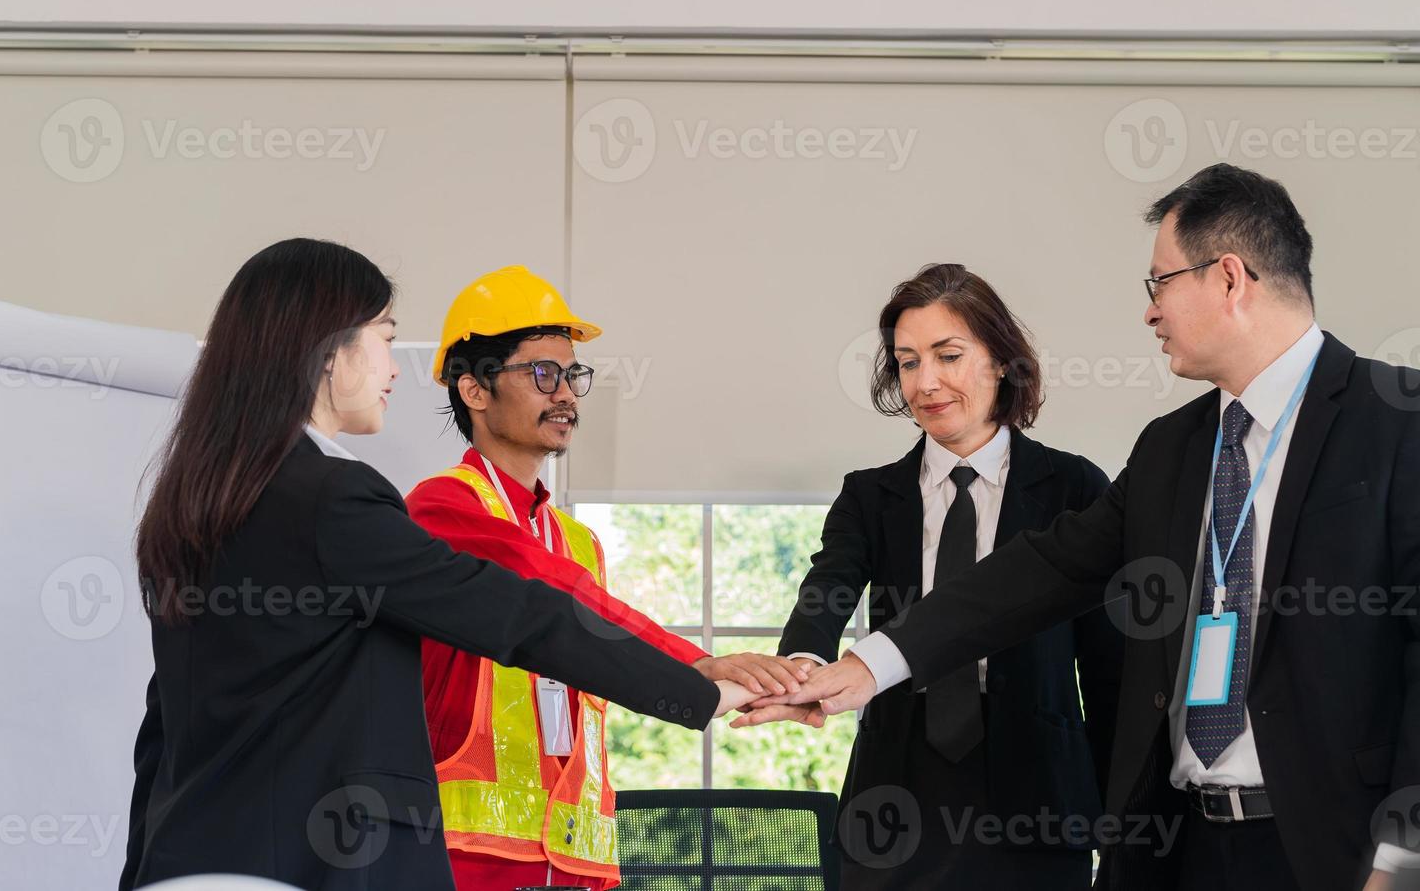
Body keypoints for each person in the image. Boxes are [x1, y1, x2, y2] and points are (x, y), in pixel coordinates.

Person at [743, 164, 1420, 891]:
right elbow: (1039, 573)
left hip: (1335, 853)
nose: (1150, 312)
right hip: (1179, 849)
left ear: (1228, 279)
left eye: (1160, 282)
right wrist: (867, 666)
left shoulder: (1398, 422)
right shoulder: (1171, 447)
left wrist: (1401, 860)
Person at [119, 239, 754, 891]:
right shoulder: (334, 498)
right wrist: (703, 688)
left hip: (191, 864)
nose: (396, 368)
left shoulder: (195, 502)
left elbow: (163, 730)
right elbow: (518, 616)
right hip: (309, 866)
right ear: (329, 349)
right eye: (386, 337)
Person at [405, 265, 809, 890]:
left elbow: (594, 642)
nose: (565, 393)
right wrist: (695, 667)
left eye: (572, 376)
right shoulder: (443, 506)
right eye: (543, 373)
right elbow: (556, 594)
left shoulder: (579, 542)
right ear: (474, 390)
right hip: (469, 857)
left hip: (578, 859)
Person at [774, 263, 1123, 889]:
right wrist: (800, 663)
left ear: (1000, 361)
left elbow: (1107, 670)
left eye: (948, 355)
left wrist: (1124, 816)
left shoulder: (1075, 488)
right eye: (908, 362)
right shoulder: (870, 495)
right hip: (896, 783)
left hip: (1038, 787)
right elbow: (828, 588)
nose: (926, 382)